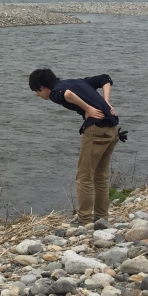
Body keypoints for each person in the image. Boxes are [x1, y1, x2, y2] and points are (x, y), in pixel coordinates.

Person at [28, 67, 122, 226]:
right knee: (101, 176)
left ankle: (84, 219)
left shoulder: (55, 93)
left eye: (36, 92)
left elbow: (67, 95)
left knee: (84, 177)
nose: (38, 95)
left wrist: (88, 109)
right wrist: (106, 102)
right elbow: (105, 78)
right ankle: (101, 218)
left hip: (96, 132)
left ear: (42, 87)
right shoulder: (79, 82)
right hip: (112, 130)